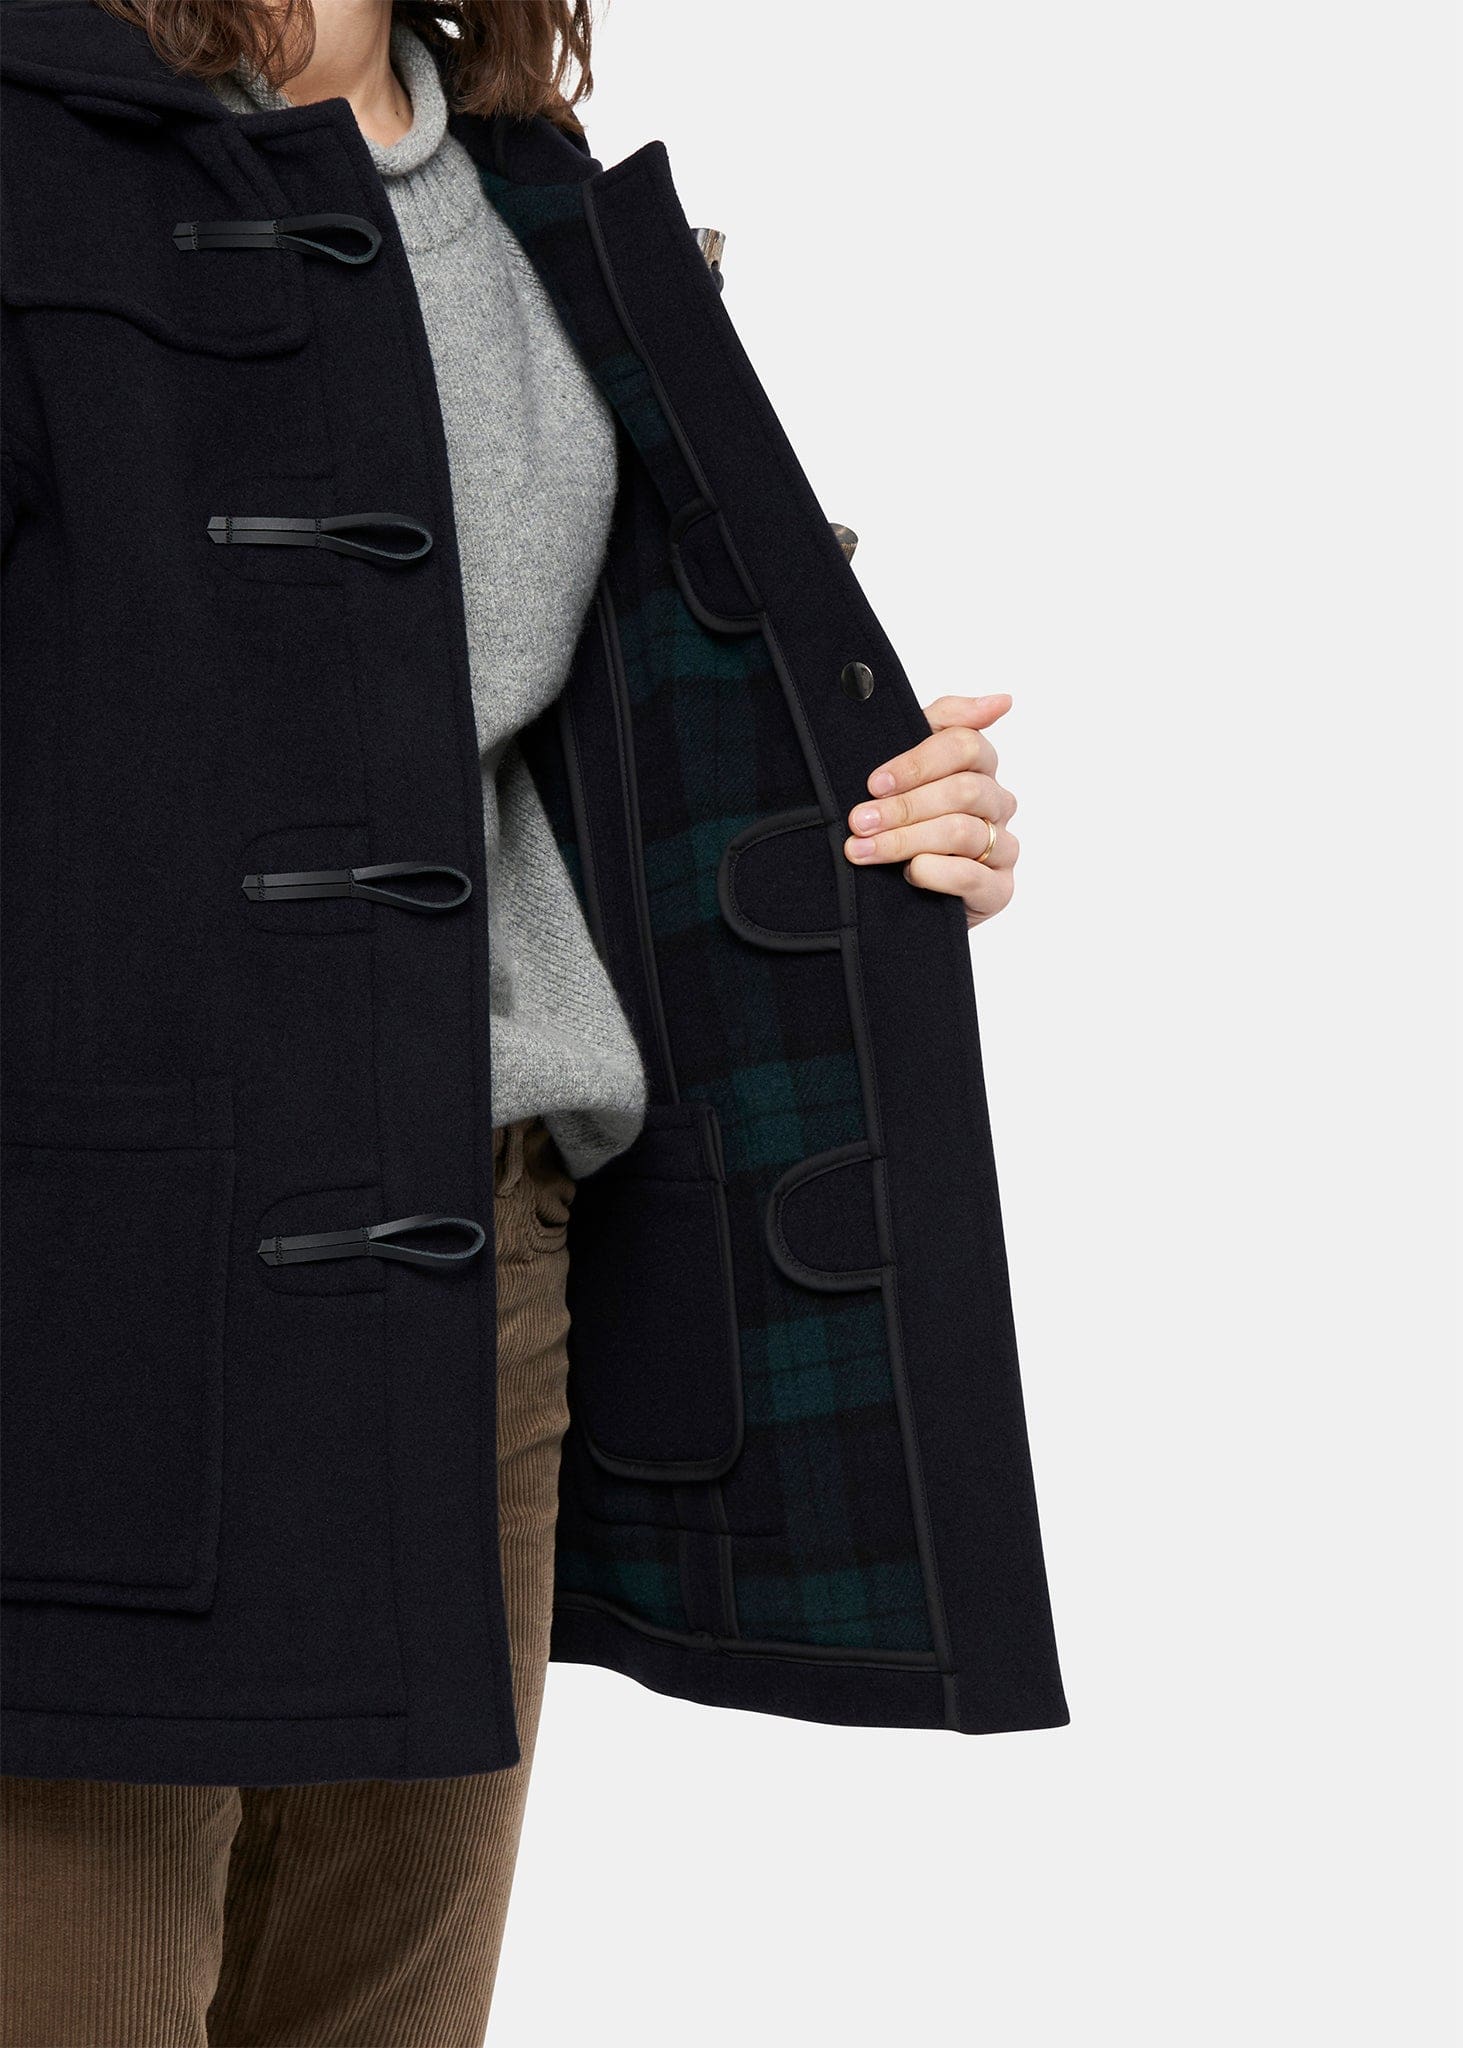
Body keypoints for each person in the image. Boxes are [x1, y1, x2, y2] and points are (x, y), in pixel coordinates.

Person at [0, 1, 1066, 2039]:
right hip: (97, 1302)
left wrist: (879, 818)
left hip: (473, 1265)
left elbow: (612, 720)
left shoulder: (532, 197)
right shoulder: (34, 140)